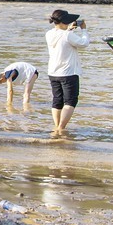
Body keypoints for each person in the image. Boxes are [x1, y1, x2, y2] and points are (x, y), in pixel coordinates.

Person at [46, 8, 89, 136]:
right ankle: (61, 128)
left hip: (53, 72)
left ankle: (56, 126)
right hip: (68, 73)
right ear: (65, 21)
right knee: (70, 101)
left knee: (57, 100)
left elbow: (63, 38)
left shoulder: (49, 34)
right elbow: (84, 43)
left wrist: (70, 29)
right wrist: (84, 29)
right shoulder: (68, 35)